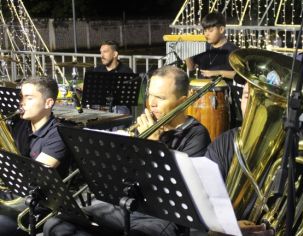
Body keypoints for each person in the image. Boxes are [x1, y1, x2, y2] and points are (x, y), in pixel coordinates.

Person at [43, 65, 211, 236]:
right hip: (125, 205)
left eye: (160, 98)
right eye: (149, 95)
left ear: (182, 101)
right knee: (57, 224)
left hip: (161, 216)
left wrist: (154, 147)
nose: (151, 104)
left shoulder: (196, 134)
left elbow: (182, 191)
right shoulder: (145, 124)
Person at [207, 83, 303, 236]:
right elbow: (206, 204)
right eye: (247, 96)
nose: (255, 105)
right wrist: (227, 228)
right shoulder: (223, 144)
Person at [0, 77, 69, 236]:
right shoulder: (19, 124)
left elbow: (33, 178)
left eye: (29, 98)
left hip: (38, 205)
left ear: (48, 103)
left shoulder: (58, 134)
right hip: (13, 193)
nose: (21, 103)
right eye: (21, 97)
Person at [185, 11, 243, 128]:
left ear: (221, 30)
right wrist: (186, 53)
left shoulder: (233, 51)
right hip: (200, 97)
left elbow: (240, 75)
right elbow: (191, 67)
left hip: (224, 98)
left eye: (210, 31)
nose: (206, 34)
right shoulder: (203, 48)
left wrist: (218, 73)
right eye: (205, 30)